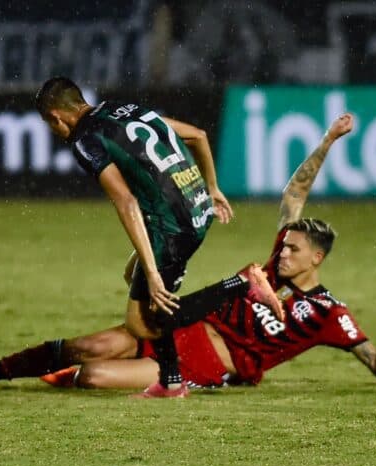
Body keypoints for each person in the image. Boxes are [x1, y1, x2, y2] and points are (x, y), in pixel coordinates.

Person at [0, 113, 376, 392]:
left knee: (93, 376)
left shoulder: (327, 312)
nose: (283, 253)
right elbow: (293, 196)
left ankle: (71, 377)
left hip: (208, 363)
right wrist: (327, 142)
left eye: (294, 250)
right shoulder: (275, 272)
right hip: (184, 322)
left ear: (316, 259)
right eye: (286, 245)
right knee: (86, 346)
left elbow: (369, 354)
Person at [17, 77, 282, 398]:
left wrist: (155, 273)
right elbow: (197, 135)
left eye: (50, 125)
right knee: (133, 275)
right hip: (196, 207)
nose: (54, 132)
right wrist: (212, 188)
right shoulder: (121, 109)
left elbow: (126, 202)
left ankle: (240, 287)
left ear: (57, 117)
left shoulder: (85, 139)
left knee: (142, 323)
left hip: (173, 225)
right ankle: (168, 375)